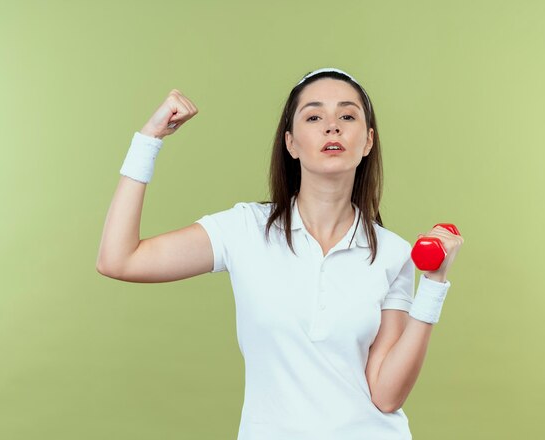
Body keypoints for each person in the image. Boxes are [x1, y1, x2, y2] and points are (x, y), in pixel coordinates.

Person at [96, 67, 464, 440]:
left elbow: (386, 396)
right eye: (315, 116)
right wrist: (148, 139)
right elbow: (118, 259)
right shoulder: (244, 230)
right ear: (291, 143)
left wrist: (434, 283)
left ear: (368, 141)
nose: (332, 127)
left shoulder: (392, 253)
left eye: (347, 116)